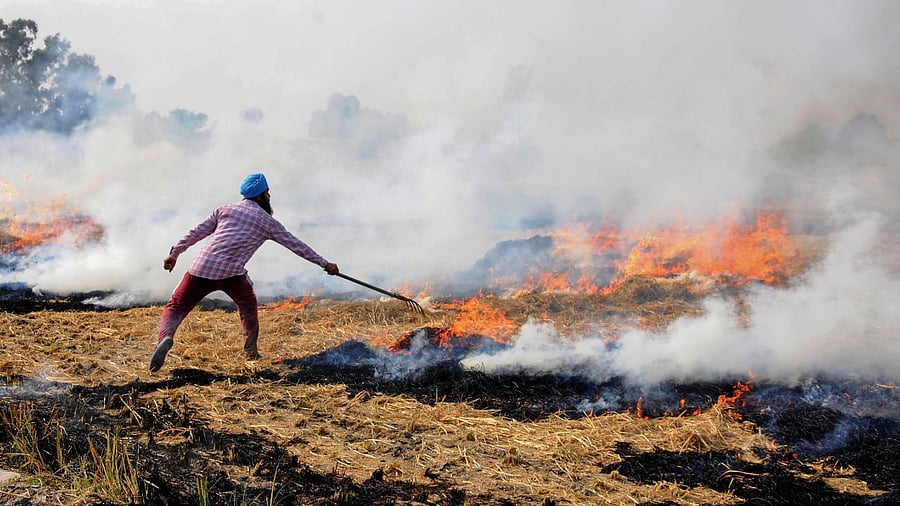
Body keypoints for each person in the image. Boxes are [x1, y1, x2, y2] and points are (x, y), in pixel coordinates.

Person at [149, 172, 338, 372]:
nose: (269, 196)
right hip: (232, 274)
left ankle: (166, 337)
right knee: (248, 306)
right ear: (259, 196)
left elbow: (196, 232)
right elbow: (296, 245)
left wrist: (175, 253)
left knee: (176, 306)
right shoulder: (267, 222)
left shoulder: (224, 210)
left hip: (201, 269)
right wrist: (325, 264)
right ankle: (250, 352)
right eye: (267, 193)